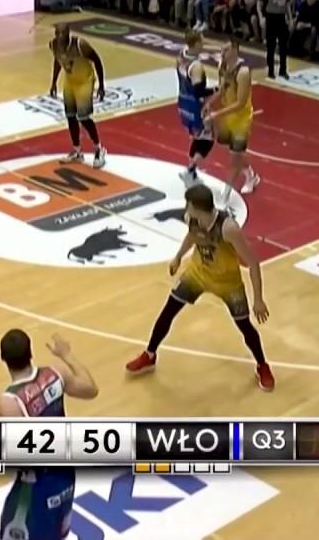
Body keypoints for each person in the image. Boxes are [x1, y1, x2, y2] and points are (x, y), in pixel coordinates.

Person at [125, 184, 274, 391]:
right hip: (198, 273)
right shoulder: (191, 219)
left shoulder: (228, 228)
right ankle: (149, 355)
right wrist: (178, 257)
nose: (185, 208)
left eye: (188, 204)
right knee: (168, 311)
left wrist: (258, 299)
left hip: (227, 283)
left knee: (245, 326)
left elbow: (253, 263)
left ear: (196, 207)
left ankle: (262, 365)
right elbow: (192, 237)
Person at [0, 329, 98, 540]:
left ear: (3, 359)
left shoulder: (10, 401)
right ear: (30, 352)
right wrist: (67, 355)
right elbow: (91, 389)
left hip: (36, 485)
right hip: (65, 472)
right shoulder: (55, 374)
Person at [206, 39, 259, 204]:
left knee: (234, 158)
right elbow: (222, 88)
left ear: (235, 50)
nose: (222, 53)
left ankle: (225, 195)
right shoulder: (222, 67)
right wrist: (208, 102)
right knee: (236, 153)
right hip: (228, 115)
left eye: (226, 50)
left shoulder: (243, 72)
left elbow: (241, 103)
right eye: (222, 50)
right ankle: (251, 175)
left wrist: (216, 114)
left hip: (241, 119)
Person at [49, 24, 108, 168]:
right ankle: (77, 151)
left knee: (83, 117)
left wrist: (101, 85)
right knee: (70, 116)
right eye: (57, 33)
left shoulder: (81, 45)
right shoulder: (53, 45)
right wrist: (53, 82)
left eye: (62, 33)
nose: (59, 36)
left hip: (85, 82)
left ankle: (99, 148)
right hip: (70, 81)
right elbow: (57, 61)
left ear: (68, 33)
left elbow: (97, 60)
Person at [177, 30, 216, 186]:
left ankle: (190, 172)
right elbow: (198, 91)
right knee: (208, 140)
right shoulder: (196, 66)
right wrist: (216, 89)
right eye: (202, 40)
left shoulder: (182, 54)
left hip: (183, 102)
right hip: (195, 107)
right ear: (197, 43)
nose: (204, 43)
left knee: (197, 137)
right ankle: (190, 170)